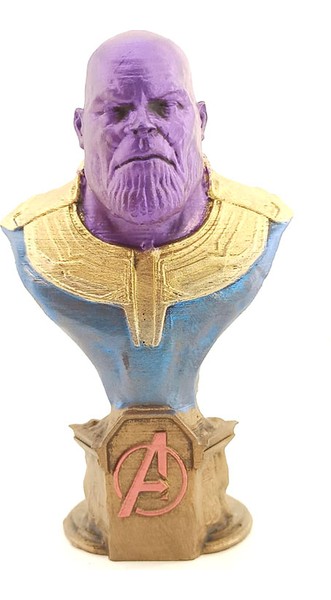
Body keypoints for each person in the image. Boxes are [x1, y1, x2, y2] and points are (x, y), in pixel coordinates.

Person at [1, 31, 292, 413]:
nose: (142, 125)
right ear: (80, 129)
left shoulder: (258, 225)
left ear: (201, 120)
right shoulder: (34, 237)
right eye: (117, 112)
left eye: (165, 107)